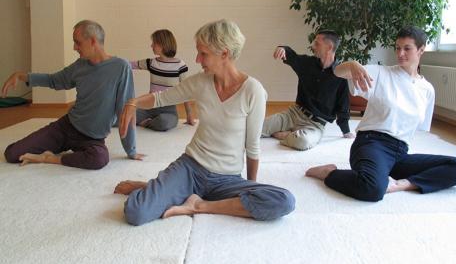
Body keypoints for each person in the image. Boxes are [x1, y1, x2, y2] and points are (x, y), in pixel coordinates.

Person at [114, 19, 295, 225]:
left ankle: (198, 205)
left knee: (283, 201)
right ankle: (157, 187)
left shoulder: (253, 91)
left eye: (203, 53)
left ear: (224, 54)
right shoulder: (201, 82)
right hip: (191, 168)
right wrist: (132, 103)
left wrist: (248, 188)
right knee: (135, 212)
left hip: (227, 178)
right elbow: (160, 98)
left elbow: (252, 147)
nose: (198, 59)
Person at [305, 26, 456, 201]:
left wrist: (406, 181)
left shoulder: (427, 89)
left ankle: (405, 183)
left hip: (400, 153)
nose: (400, 53)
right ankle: (329, 173)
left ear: (421, 50)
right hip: (371, 144)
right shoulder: (382, 73)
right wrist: (352, 65)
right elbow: (338, 71)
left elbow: (418, 129)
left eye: (407, 48)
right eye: (398, 48)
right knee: (372, 189)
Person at [2, 20, 143, 169]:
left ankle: (48, 159)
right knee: (12, 154)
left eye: (78, 43)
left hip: (92, 139)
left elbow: (126, 111)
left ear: (93, 41)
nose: (75, 47)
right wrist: (22, 76)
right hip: (66, 128)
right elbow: (54, 80)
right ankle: (57, 152)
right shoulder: (79, 66)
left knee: (99, 159)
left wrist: (131, 150)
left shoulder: (120, 67)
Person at [262, 30, 354, 151]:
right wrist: (282, 48)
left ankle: (282, 135)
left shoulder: (340, 74)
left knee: (302, 141)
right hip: (293, 114)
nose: (313, 46)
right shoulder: (307, 63)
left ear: (329, 47)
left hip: (315, 125)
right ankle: (290, 133)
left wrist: (346, 130)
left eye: (317, 43)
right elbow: (292, 56)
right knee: (256, 127)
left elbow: (343, 104)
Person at [129, 29, 195, 130]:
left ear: (162, 44)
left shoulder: (180, 65)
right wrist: (110, 61)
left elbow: (186, 91)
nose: (151, 46)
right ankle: (149, 121)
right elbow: (130, 65)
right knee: (124, 117)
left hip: (168, 111)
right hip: (148, 107)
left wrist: (189, 115)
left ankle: (147, 123)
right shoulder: (151, 63)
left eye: (153, 43)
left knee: (163, 122)